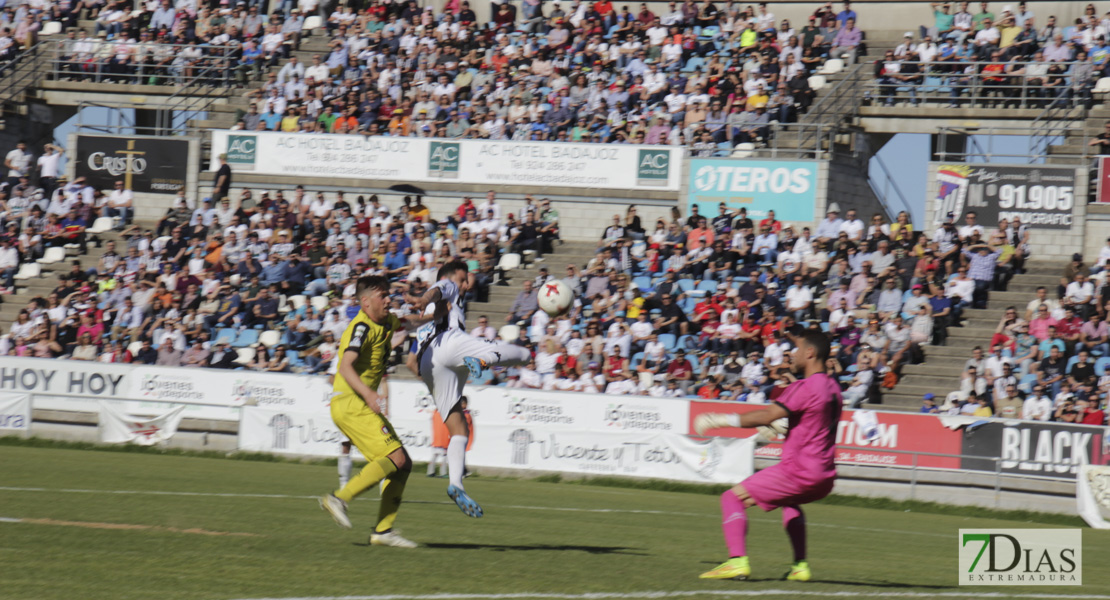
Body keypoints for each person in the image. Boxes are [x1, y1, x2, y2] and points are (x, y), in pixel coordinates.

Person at [695, 330, 841, 582]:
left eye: (796, 349)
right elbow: (813, 420)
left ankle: (737, 562)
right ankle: (800, 566)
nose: (791, 355)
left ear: (810, 353)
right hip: (825, 475)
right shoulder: (834, 388)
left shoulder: (806, 386)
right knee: (790, 503)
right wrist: (785, 426)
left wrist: (719, 419)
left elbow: (766, 415)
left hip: (798, 470)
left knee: (732, 498)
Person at [415, 260, 531, 518]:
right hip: (450, 344)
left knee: (458, 428)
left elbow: (412, 361)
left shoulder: (428, 318)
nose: (467, 283)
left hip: (429, 364)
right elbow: (437, 290)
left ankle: (456, 483)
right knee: (524, 354)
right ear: (453, 276)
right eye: (463, 277)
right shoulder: (448, 286)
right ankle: (479, 360)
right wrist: (424, 298)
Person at [317, 275, 420, 549]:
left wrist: (438, 315)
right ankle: (339, 498)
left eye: (389, 294)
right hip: (351, 402)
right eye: (382, 295)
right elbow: (345, 366)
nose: (389, 299)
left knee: (402, 464)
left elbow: (409, 322)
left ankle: (383, 532)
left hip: (358, 404)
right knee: (396, 457)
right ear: (365, 302)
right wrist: (369, 393)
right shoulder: (360, 327)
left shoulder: (385, 322)